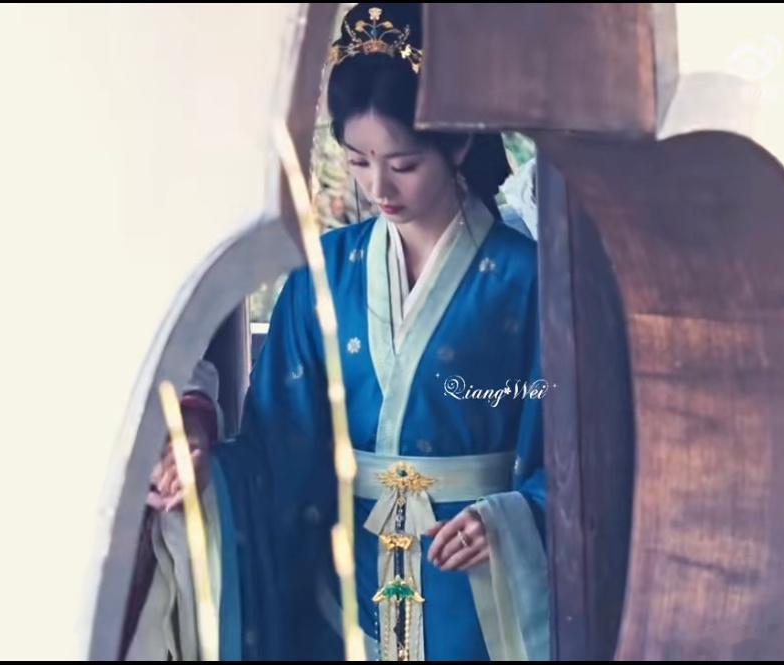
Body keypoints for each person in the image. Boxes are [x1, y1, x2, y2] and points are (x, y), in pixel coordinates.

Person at [143, 4, 548, 660]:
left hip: (474, 587)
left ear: (458, 144)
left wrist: (512, 517)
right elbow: (277, 446)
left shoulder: (527, 279)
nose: (378, 185)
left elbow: (570, 455)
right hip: (346, 582)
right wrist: (207, 473)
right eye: (358, 161)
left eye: (403, 163)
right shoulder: (322, 274)